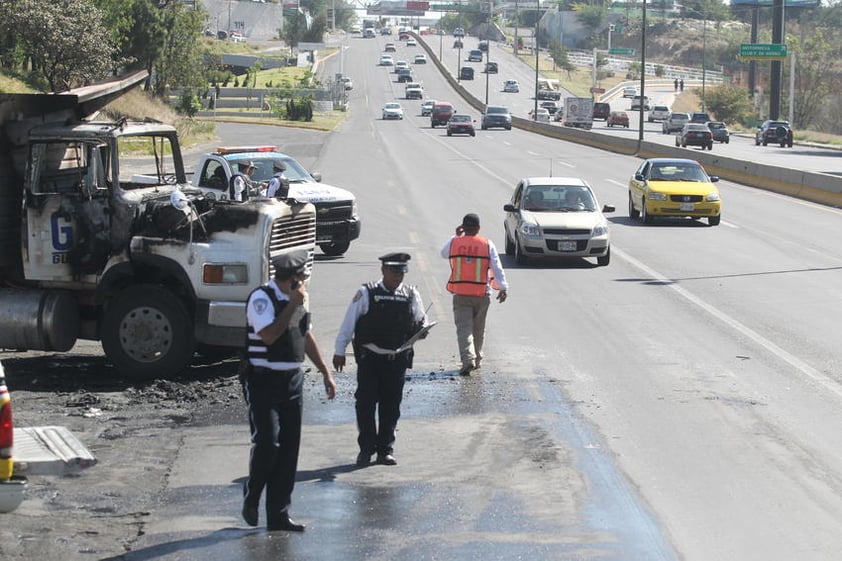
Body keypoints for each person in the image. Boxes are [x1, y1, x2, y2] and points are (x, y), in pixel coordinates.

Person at [241, 249, 336, 532]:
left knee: (289, 450)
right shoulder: (262, 298)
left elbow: (305, 335)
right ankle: (253, 491)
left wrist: (325, 371)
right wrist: (292, 305)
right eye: (303, 278)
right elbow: (269, 335)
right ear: (294, 280)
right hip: (262, 380)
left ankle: (279, 515)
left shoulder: (299, 301)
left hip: (292, 381)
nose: (305, 283)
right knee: (269, 443)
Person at [333, 252, 429, 467]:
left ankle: (385, 450)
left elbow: (420, 320)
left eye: (401, 273)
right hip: (371, 359)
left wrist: (422, 330)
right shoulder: (366, 293)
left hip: (397, 360)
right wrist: (340, 350)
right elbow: (348, 324)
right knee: (365, 405)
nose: (398, 277)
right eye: (394, 272)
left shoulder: (411, 294)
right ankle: (366, 449)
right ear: (383, 270)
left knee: (391, 406)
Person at [440, 214, 508, 376]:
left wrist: (456, 235)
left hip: (461, 293)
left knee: (464, 328)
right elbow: (496, 266)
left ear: (463, 227)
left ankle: (468, 359)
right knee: (479, 329)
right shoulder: (486, 244)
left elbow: (443, 253)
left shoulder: (455, 242)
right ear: (478, 228)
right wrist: (503, 287)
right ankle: (476, 359)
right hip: (482, 293)